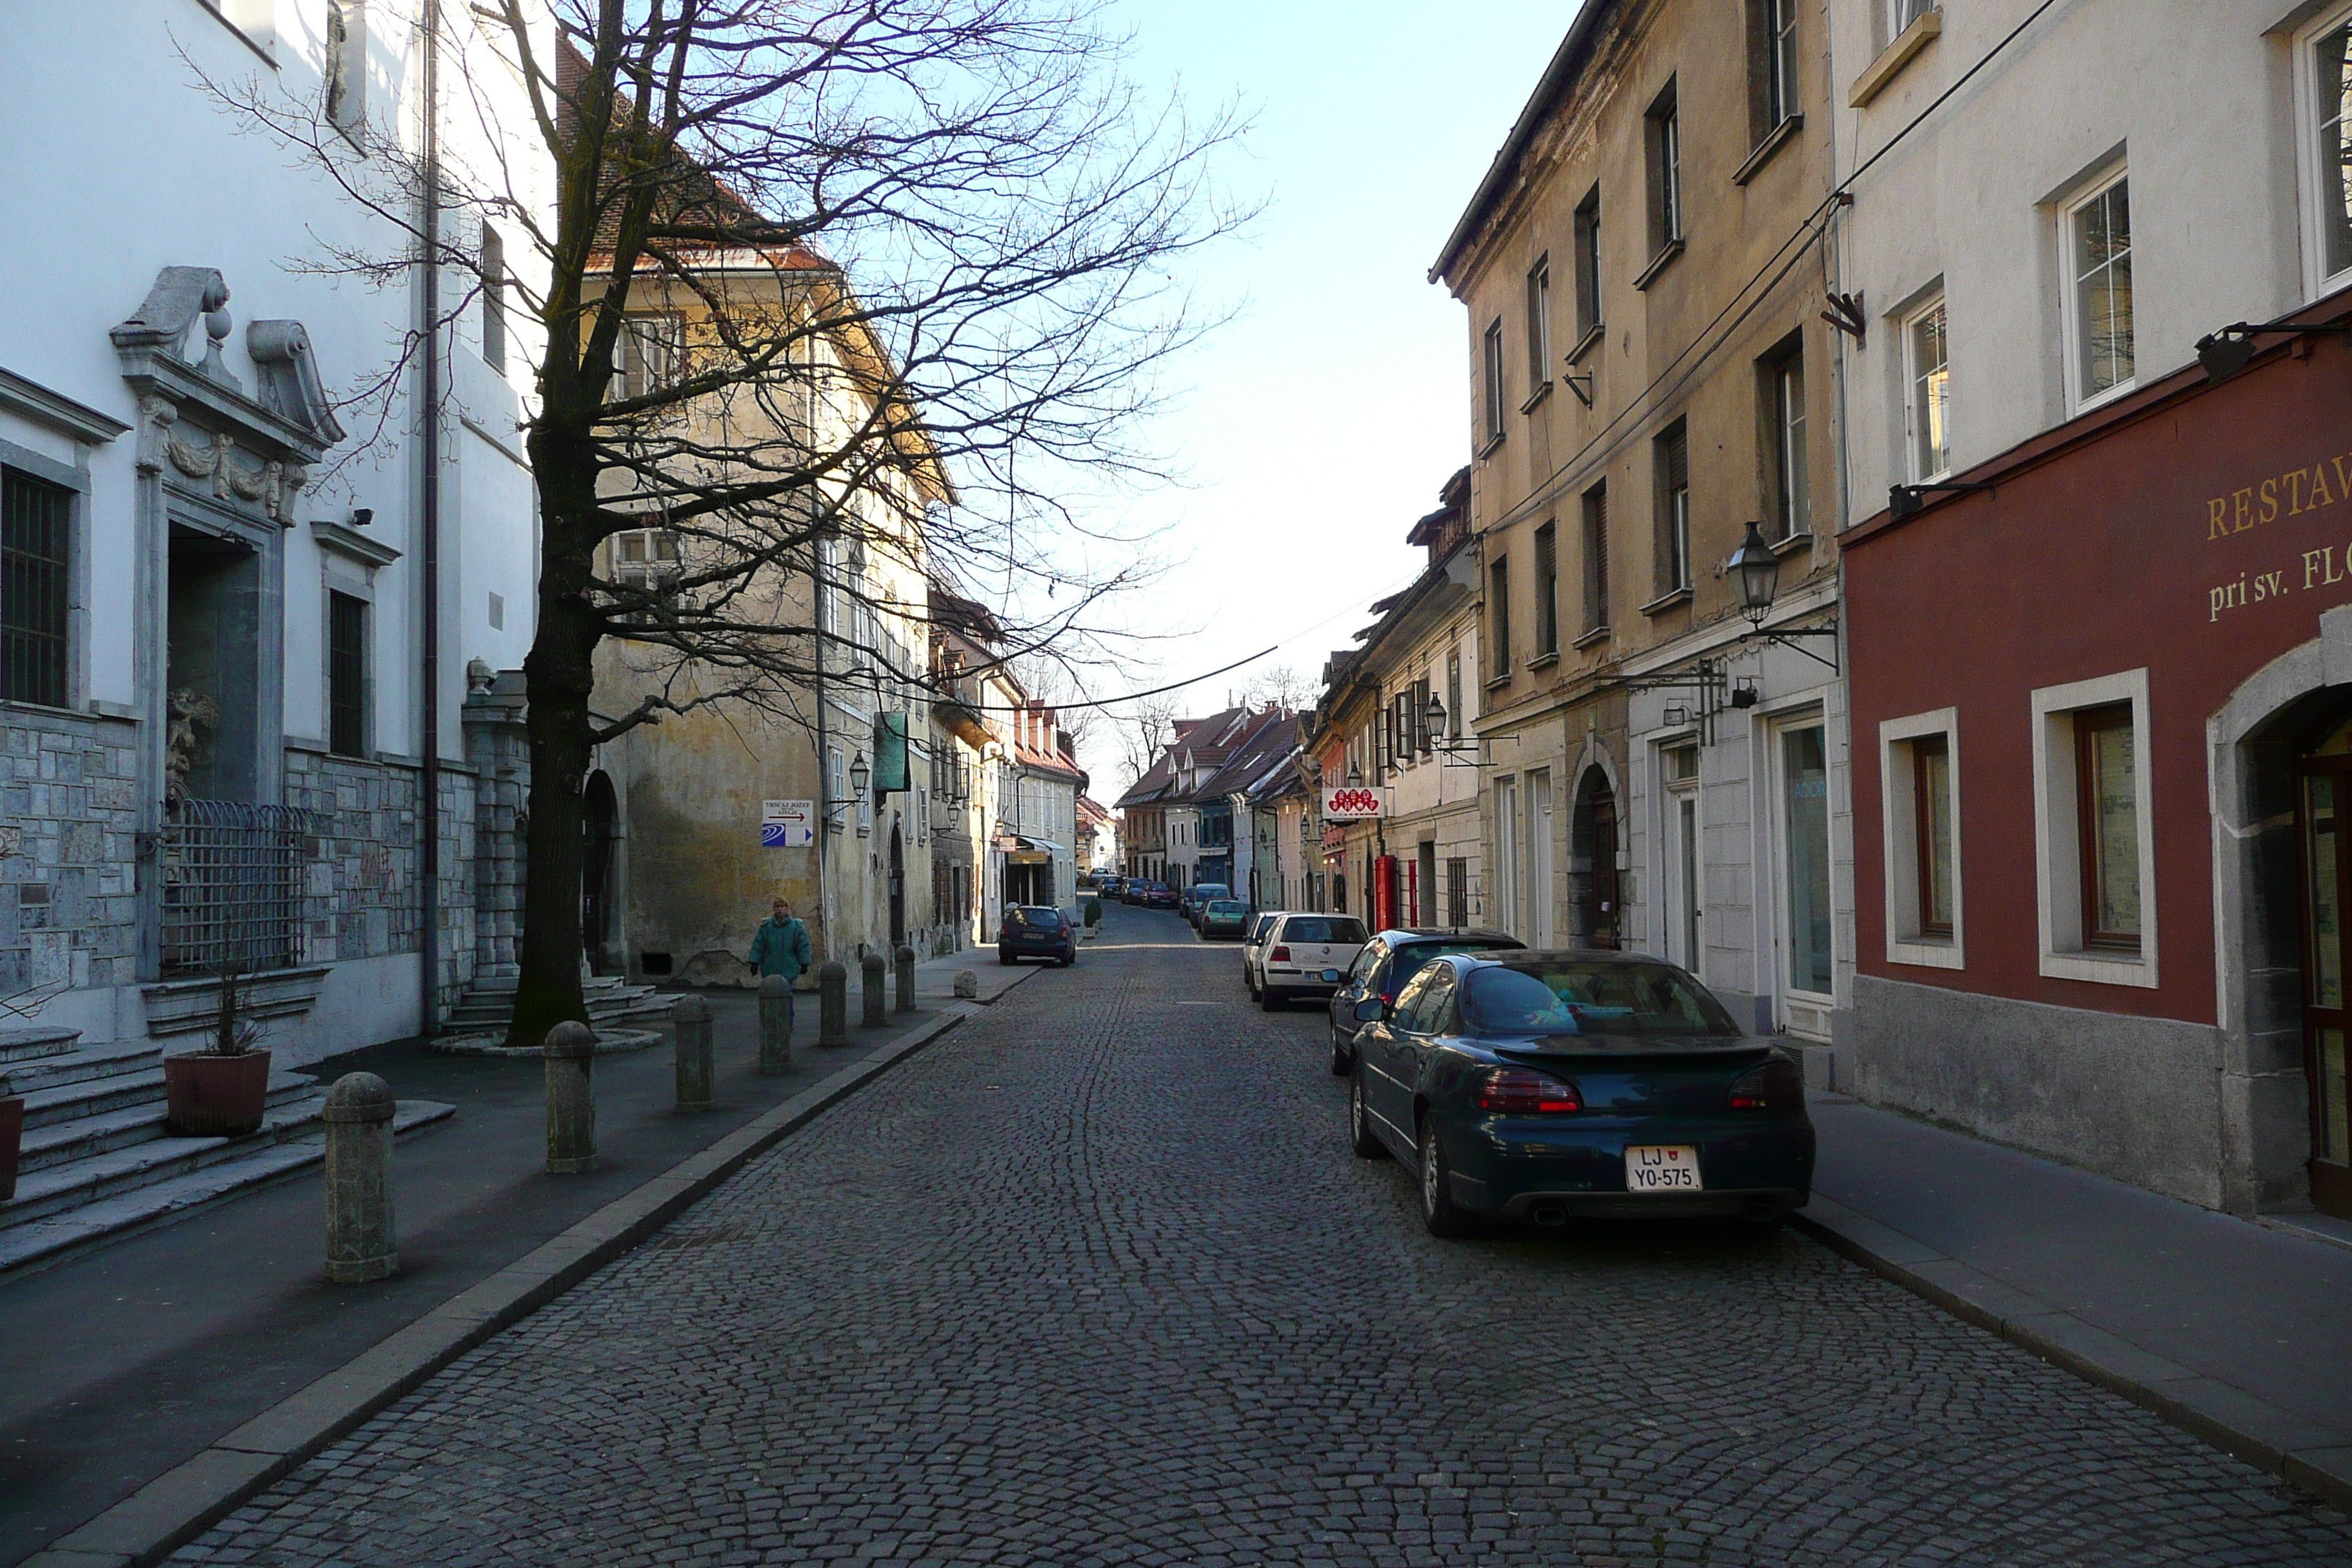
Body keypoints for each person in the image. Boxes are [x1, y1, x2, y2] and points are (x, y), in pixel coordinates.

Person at [747, 897, 814, 1040]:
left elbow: (803, 945)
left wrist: (804, 963)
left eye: (782, 906)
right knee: (770, 996)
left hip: (788, 966)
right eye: (777, 907)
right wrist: (754, 962)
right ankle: (771, 1022)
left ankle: (787, 1022)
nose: (780, 909)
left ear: (787, 909)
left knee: (787, 995)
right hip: (771, 965)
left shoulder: (795, 927)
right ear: (774, 909)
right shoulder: (767, 927)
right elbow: (759, 945)